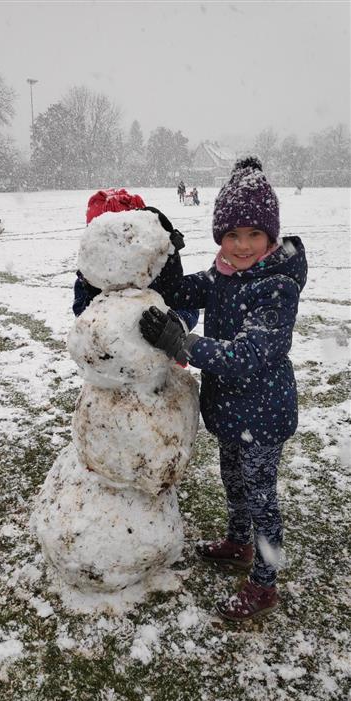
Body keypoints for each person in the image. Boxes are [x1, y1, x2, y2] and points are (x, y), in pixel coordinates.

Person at [139, 156, 308, 622]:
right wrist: (168, 254)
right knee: (232, 480)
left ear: (271, 237)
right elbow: (182, 292)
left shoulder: (276, 286)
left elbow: (252, 354)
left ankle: (265, 583)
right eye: (232, 235)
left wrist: (184, 344)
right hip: (232, 412)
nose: (243, 245)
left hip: (263, 411)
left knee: (262, 497)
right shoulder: (223, 274)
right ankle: (238, 543)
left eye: (254, 234)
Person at [72, 188, 199, 333]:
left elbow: (187, 304)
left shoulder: (155, 270)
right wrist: (93, 287)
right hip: (112, 350)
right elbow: (83, 318)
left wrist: (176, 325)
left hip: (162, 351)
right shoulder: (89, 279)